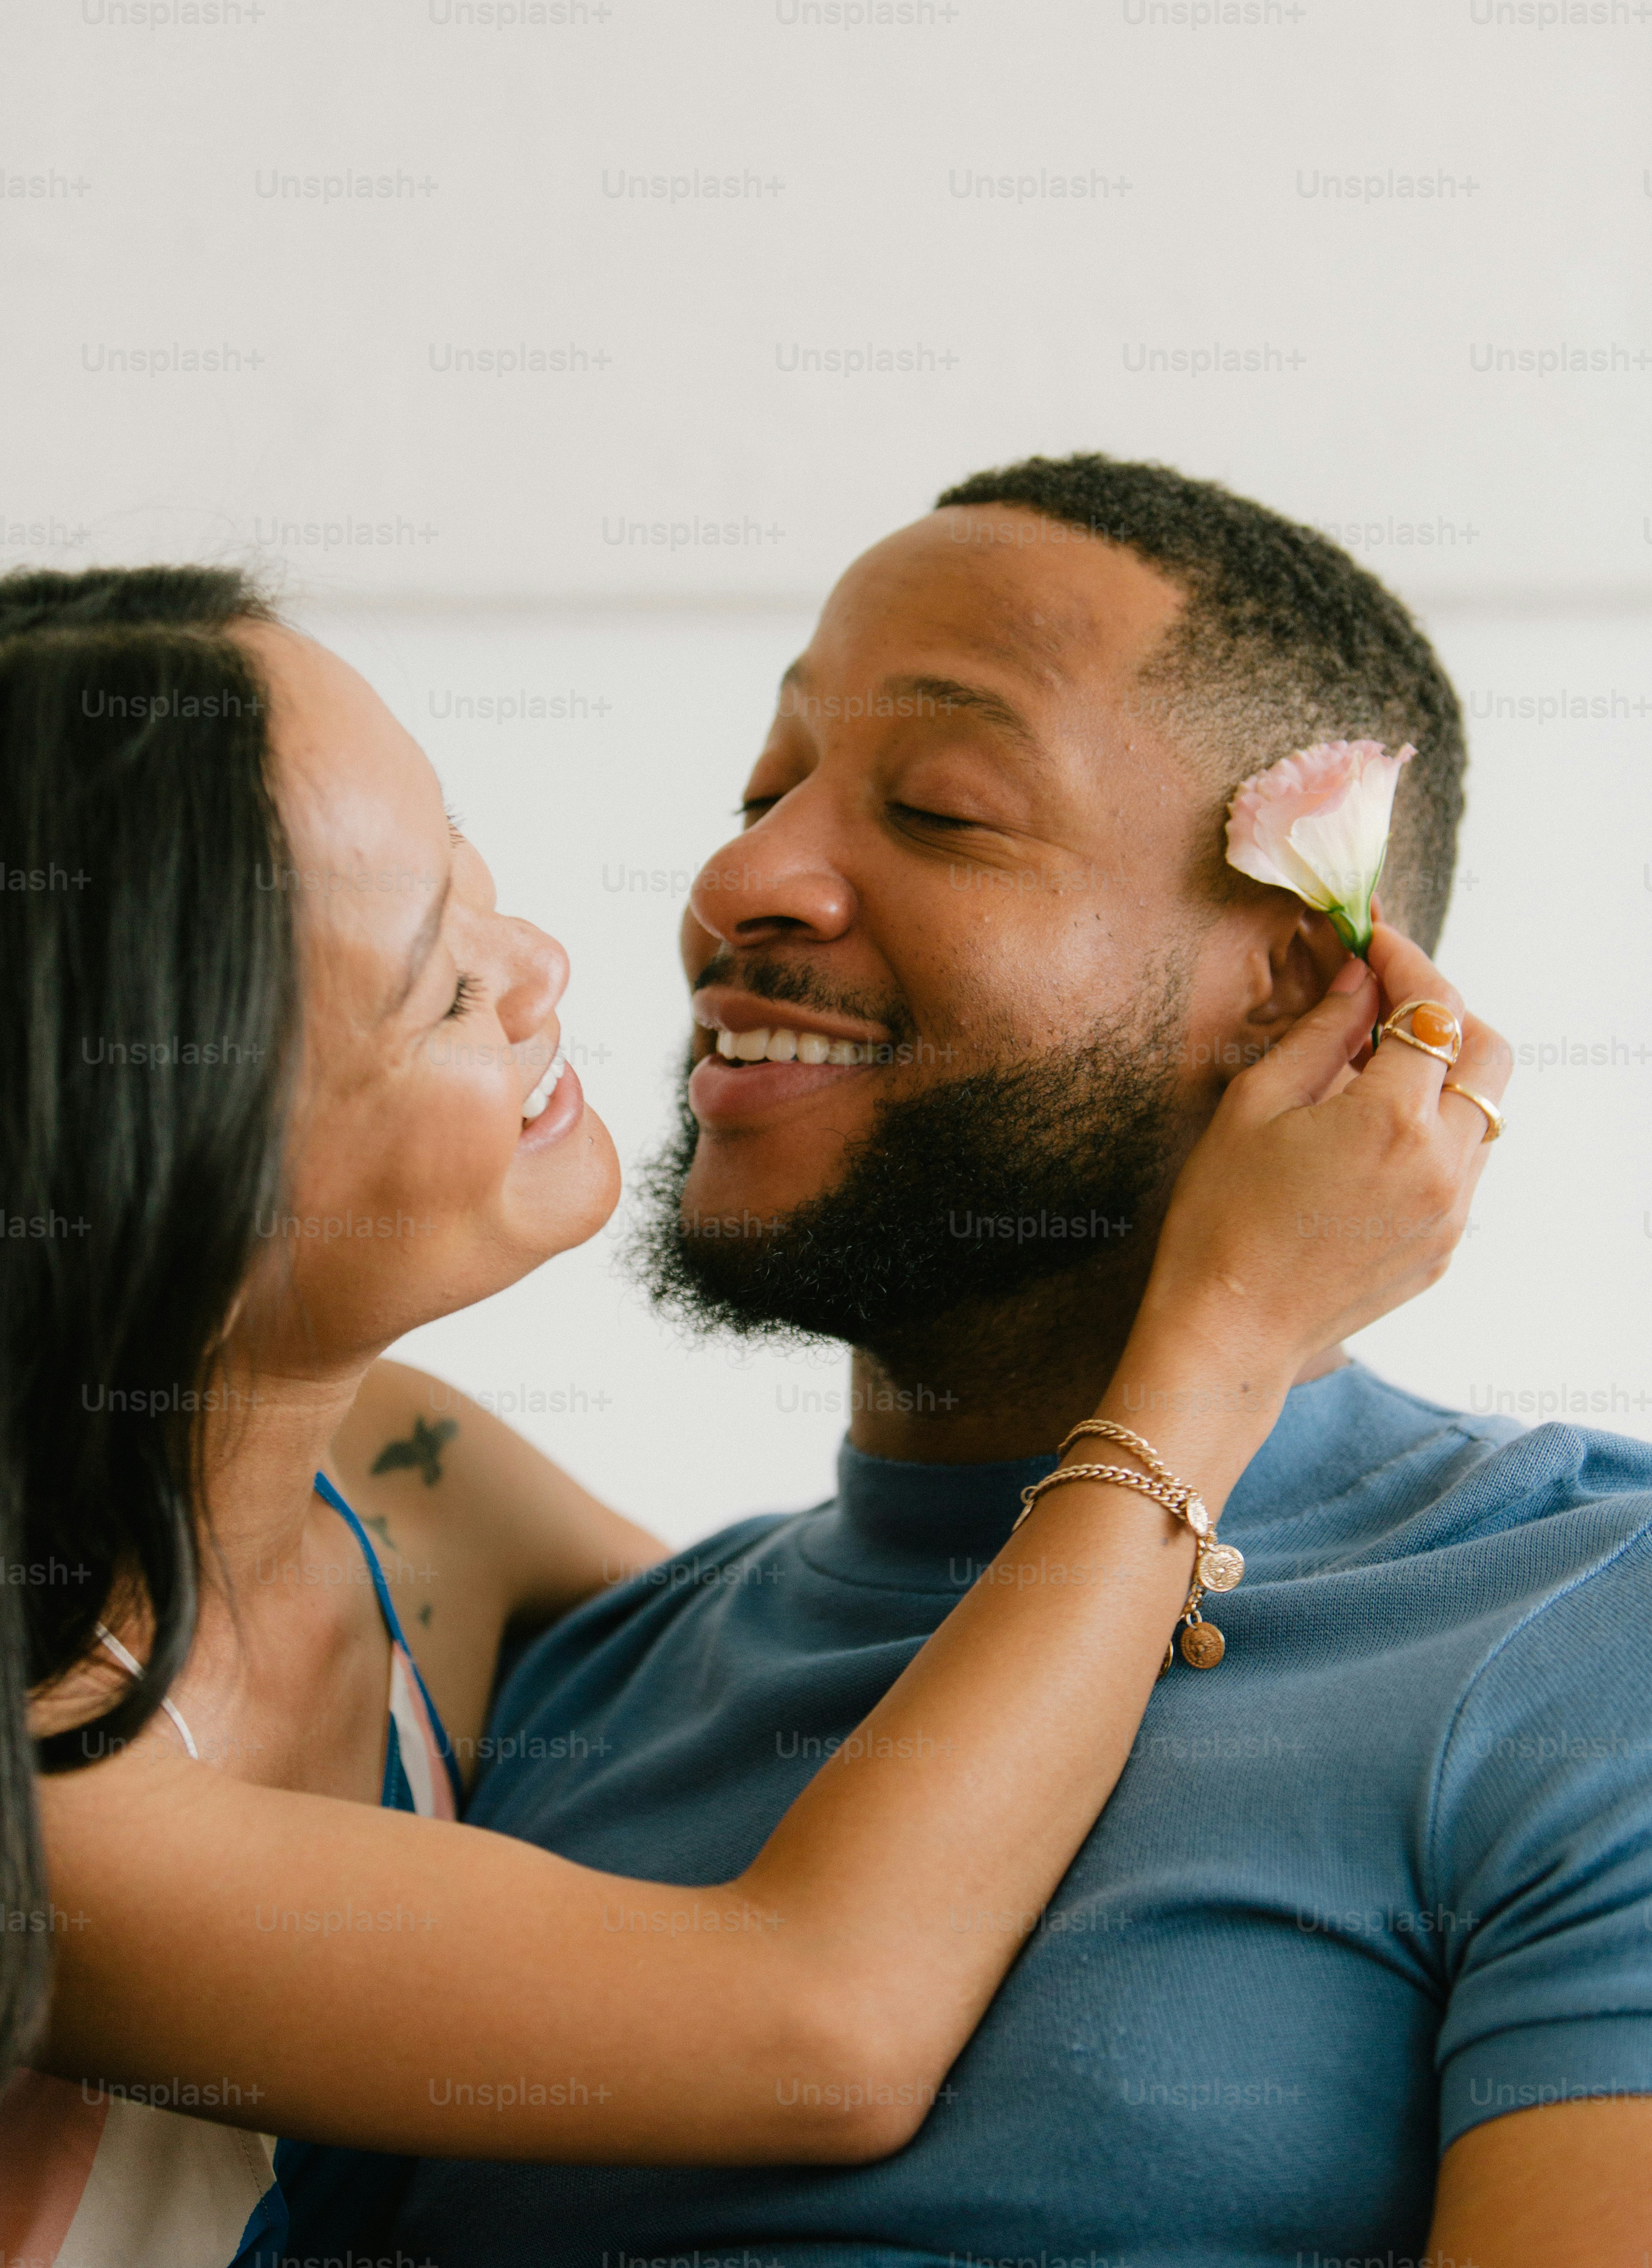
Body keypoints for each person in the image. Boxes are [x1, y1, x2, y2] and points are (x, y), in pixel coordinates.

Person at [0, 560, 1497, 2268]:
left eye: (472, 872)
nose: (546, 963)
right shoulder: (47, 1802)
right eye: (443, 985)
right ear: (155, 1148)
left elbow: (799, 1702)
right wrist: (1227, 1330)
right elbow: (817, 2018)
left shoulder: (419, 1486)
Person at [391, 456, 1652, 2267]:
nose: (742, 876)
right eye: (762, 790)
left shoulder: (1590, 1634)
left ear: (1297, 989)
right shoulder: (564, 1681)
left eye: (939, 809)